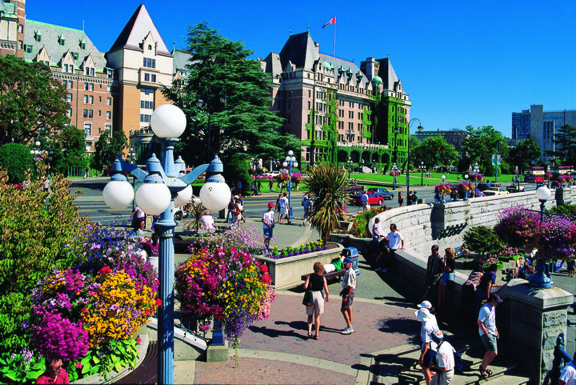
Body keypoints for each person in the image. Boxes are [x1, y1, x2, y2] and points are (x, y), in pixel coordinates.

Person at [478, 293, 503, 380]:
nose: (498, 303)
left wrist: (496, 330)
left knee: (490, 352)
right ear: (492, 301)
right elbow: (479, 322)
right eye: (497, 302)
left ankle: (483, 367)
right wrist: (486, 332)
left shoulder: (493, 307)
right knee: (493, 352)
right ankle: (483, 369)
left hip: (492, 332)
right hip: (487, 333)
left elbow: (493, 320)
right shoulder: (485, 309)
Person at [304, 261, 330, 340]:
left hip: (311, 295)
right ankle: (317, 334)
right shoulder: (323, 277)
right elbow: (327, 290)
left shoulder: (310, 276)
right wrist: (327, 296)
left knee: (310, 315)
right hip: (319, 295)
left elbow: (305, 286)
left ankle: (309, 332)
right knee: (317, 316)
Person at [416, 302, 439, 385]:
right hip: (435, 345)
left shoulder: (426, 327)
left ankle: (429, 383)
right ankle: (433, 373)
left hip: (429, 348)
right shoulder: (432, 317)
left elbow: (426, 344)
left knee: (425, 367)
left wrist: (421, 356)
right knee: (430, 363)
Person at [340, 258, 357, 335]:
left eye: (345, 264)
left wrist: (346, 295)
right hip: (348, 291)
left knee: (343, 309)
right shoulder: (349, 271)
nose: (344, 265)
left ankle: (350, 326)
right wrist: (343, 291)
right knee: (349, 307)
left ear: (349, 264)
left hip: (349, 292)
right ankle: (349, 324)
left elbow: (350, 286)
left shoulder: (350, 272)